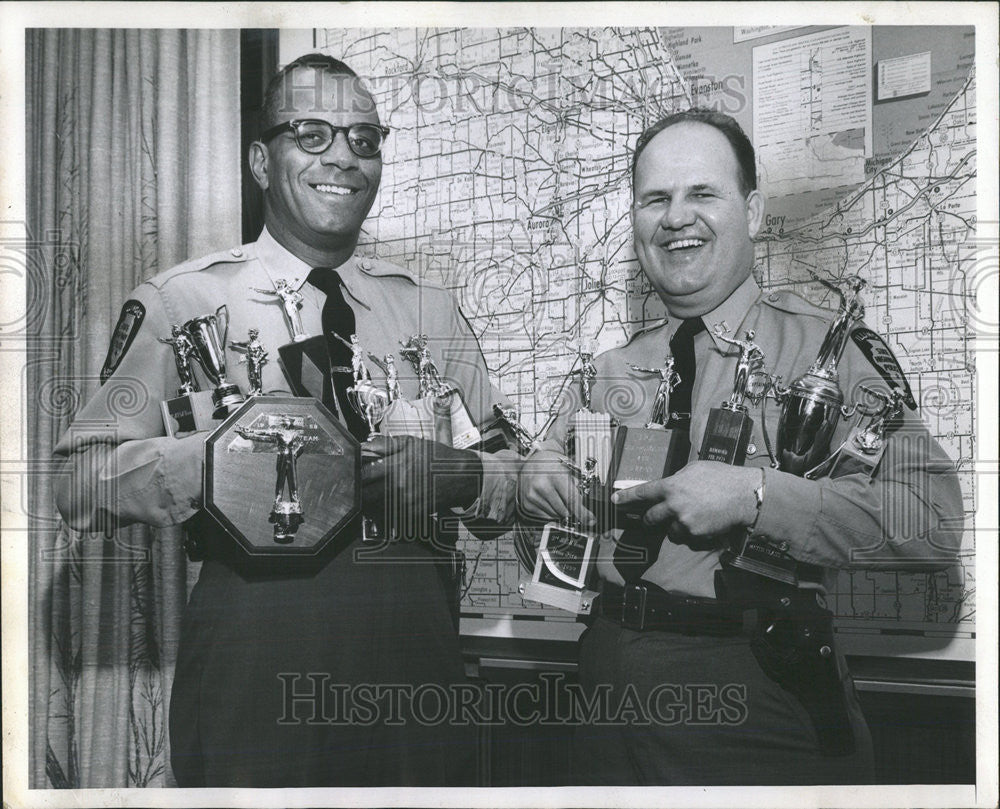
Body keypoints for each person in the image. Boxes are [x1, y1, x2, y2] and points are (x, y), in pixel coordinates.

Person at [54, 54, 519, 787]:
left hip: (413, 665)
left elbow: (509, 484)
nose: (343, 155)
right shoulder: (183, 303)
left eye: (364, 139)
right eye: (313, 133)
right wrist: (206, 464)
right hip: (256, 656)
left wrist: (462, 473)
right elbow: (77, 481)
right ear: (261, 161)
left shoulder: (429, 311)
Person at [518, 109, 963, 786]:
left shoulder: (828, 354)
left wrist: (757, 497)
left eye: (702, 193)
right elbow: (554, 547)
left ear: (752, 212)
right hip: (605, 700)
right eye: (655, 199)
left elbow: (929, 522)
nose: (675, 218)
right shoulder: (606, 374)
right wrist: (533, 484)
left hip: (756, 702)